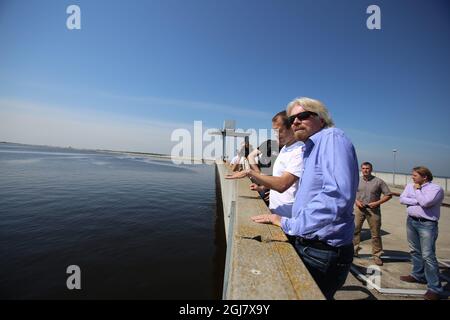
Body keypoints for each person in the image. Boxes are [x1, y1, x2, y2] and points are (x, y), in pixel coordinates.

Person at [251, 97, 359, 300]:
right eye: (292, 119)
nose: (295, 122)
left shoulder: (331, 138)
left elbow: (336, 196)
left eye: (303, 116)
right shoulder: (311, 148)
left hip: (323, 251)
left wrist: (289, 224)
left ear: (321, 118)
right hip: (313, 245)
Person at [226, 111, 303, 220]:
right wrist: (263, 187)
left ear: (292, 127)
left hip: (289, 220)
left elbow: (282, 185)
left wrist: (250, 172)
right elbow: (278, 176)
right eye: (274, 132)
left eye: (279, 131)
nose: (276, 135)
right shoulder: (285, 149)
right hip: (275, 214)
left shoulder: (300, 150)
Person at [399, 166, 445, 300]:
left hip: (427, 225)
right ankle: (417, 275)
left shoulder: (435, 189)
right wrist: (417, 200)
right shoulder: (409, 186)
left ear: (424, 177)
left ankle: (435, 288)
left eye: (415, 175)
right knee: (414, 250)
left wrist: (417, 191)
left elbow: (426, 203)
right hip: (411, 222)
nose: (412, 177)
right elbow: (402, 199)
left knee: (428, 255)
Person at [354, 162, 392, 266]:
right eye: (363, 168)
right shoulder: (357, 180)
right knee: (355, 231)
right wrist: (356, 201)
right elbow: (352, 192)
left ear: (371, 169)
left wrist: (377, 203)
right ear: (361, 169)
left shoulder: (379, 182)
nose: (365, 170)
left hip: (373, 211)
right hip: (359, 209)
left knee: (375, 233)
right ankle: (354, 252)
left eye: (367, 168)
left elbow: (388, 195)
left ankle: (377, 255)